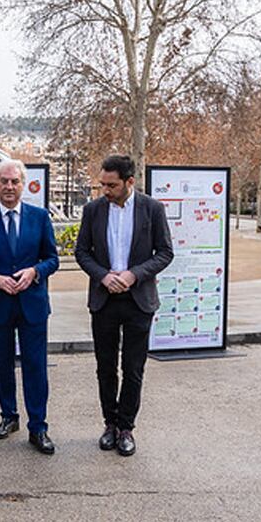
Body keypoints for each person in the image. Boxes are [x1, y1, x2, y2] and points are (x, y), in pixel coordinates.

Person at [74, 154, 174, 456]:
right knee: (105, 368)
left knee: (133, 369)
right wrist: (103, 276)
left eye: (111, 185)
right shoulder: (93, 210)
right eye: (102, 184)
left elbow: (165, 253)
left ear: (130, 182)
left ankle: (126, 427)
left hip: (138, 300)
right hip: (104, 300)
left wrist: (134, 275)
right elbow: (82, 252)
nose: (105, 190)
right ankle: (109, 424)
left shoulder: (152, 209)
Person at [0, 159, 60, 454]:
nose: (9, 186)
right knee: (2, 365)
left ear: (23, 184)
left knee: (35, 366)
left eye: (14, 181)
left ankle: (38, 427)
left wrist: (35, 272)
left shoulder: (39, 217)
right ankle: (9, 416)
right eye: (4, 181)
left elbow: (52, 259)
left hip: (33, 305)